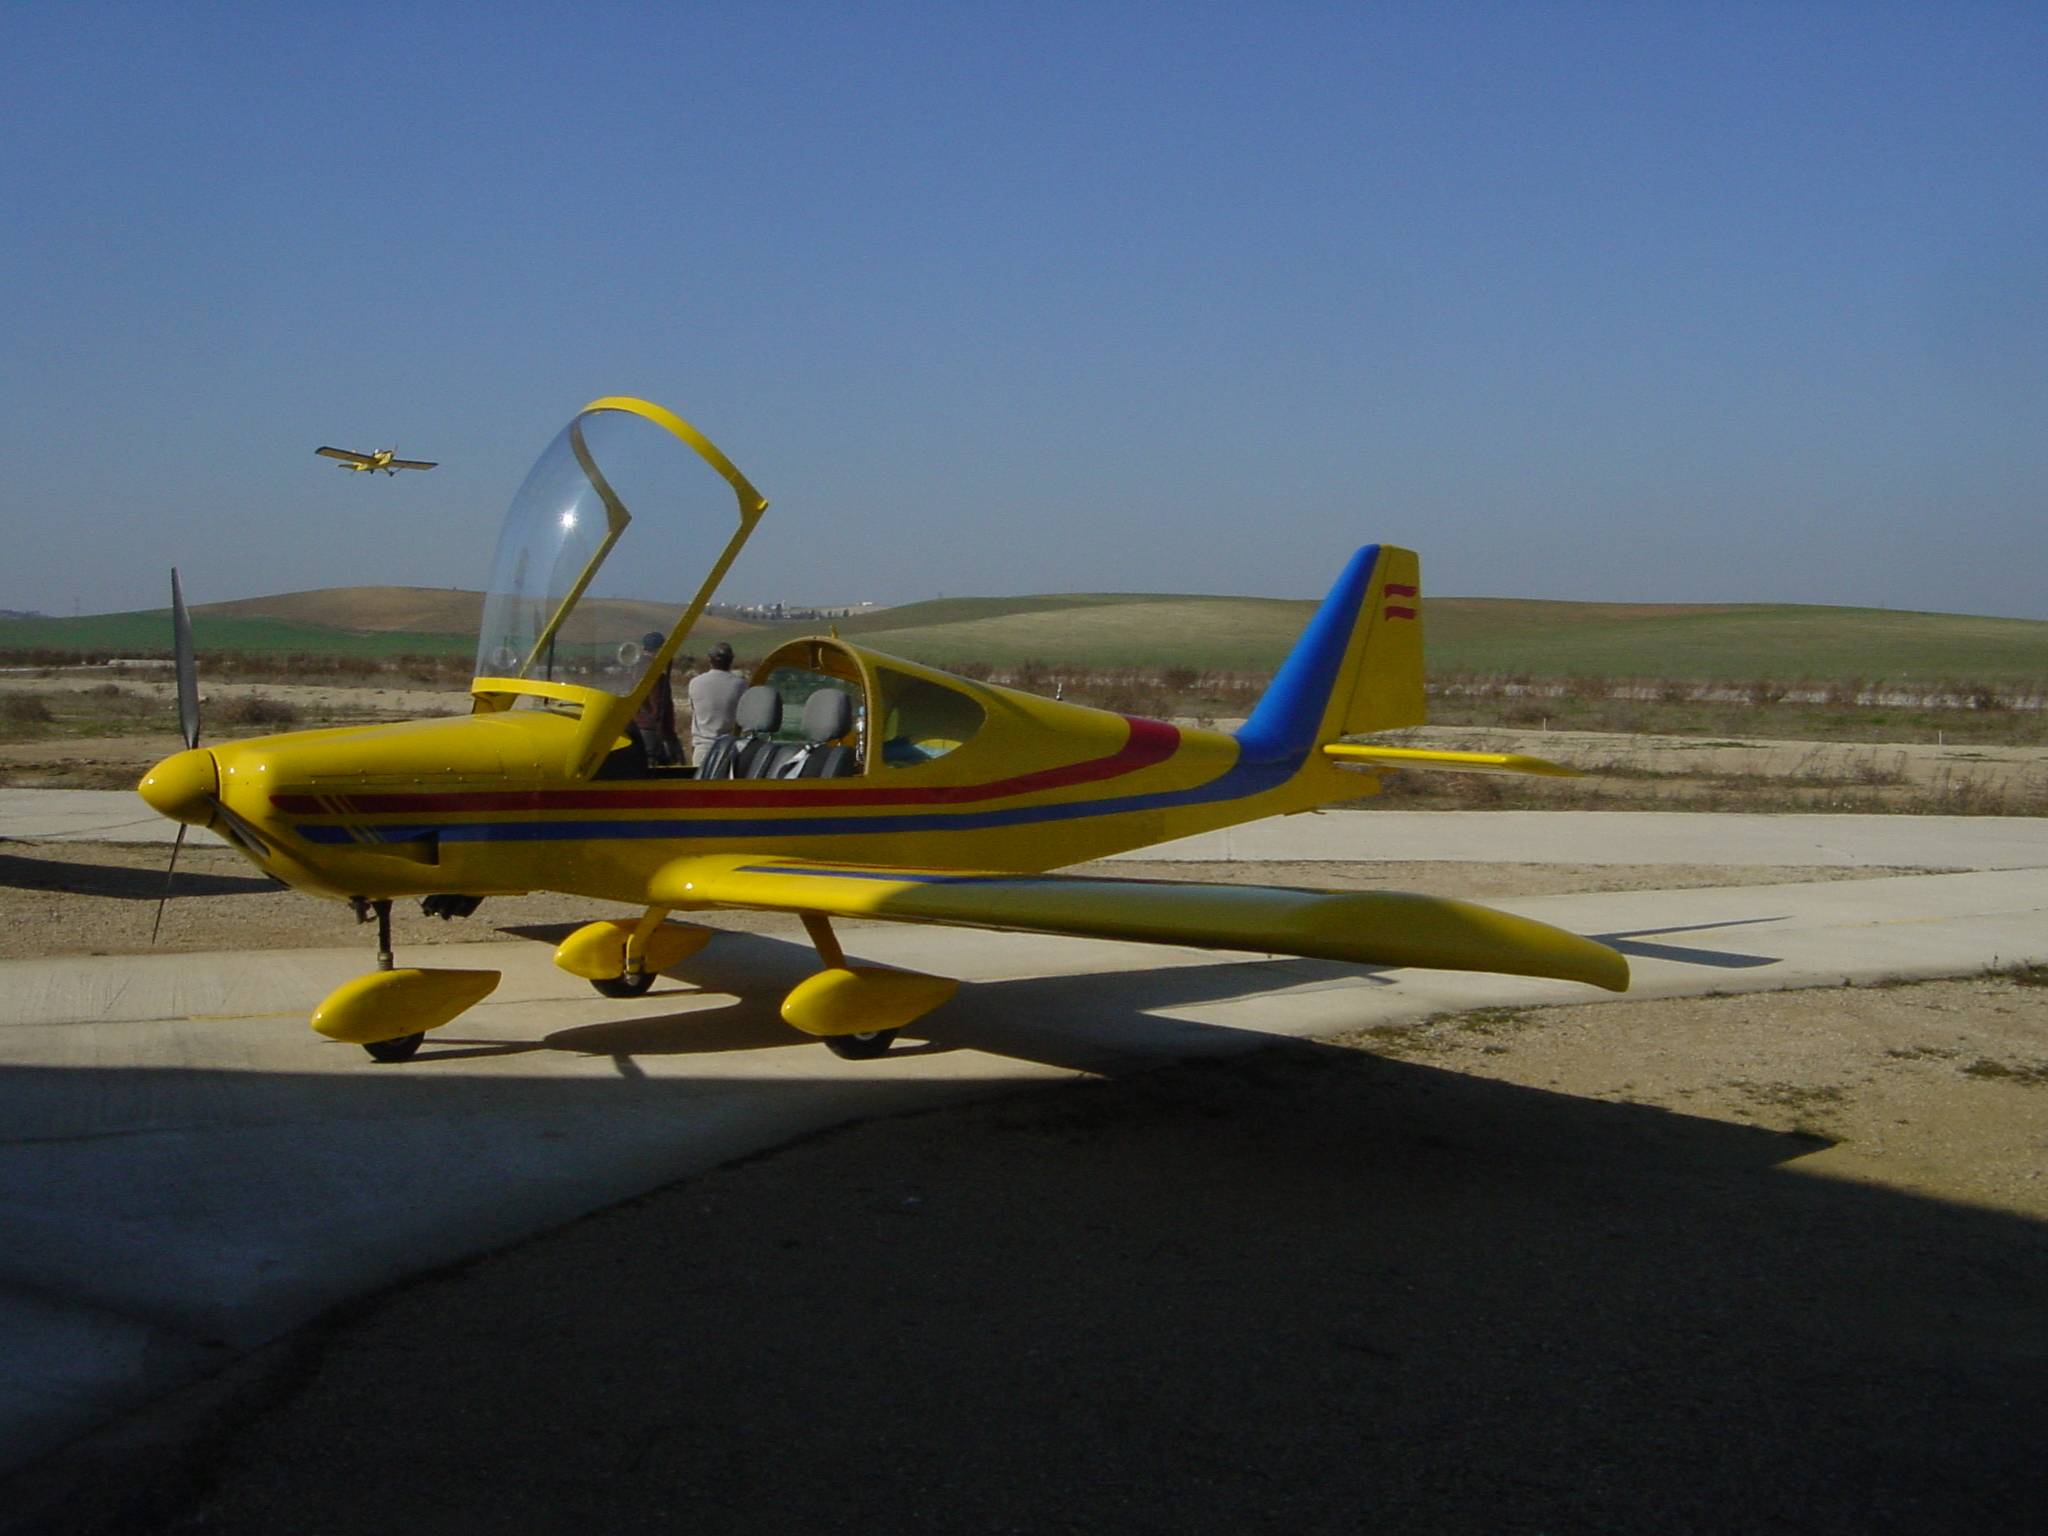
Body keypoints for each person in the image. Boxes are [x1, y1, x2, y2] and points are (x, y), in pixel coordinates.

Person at [688, 640, 748, 764]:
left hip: (702, 749)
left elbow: (694, 710)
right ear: (731, 660)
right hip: (728, 749)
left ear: (710, 659)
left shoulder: (695, 682)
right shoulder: (740, 685)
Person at [632, 631, 683, 767]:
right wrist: (667, 734)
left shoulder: (637, 667)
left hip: (640, 726)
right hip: (652, 729)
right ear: (660, 649)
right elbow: (658, 704)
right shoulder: (654, 671)